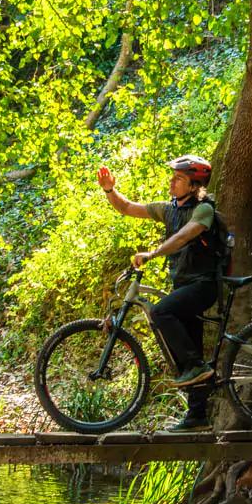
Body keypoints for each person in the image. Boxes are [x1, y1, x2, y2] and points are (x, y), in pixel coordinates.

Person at [97, 155, 223, 432]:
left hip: (203, 285)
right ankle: (197, 416)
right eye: (173, 177)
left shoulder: (204, 210)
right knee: (189, 350)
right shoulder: (169, 209)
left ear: (193, 185)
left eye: (178, 179)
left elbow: (184, 236)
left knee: (160, 311)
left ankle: (197, 368)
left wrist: (153, 253)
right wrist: (109, 190)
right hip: (184, 286)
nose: (172, 182)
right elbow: (128, 208)